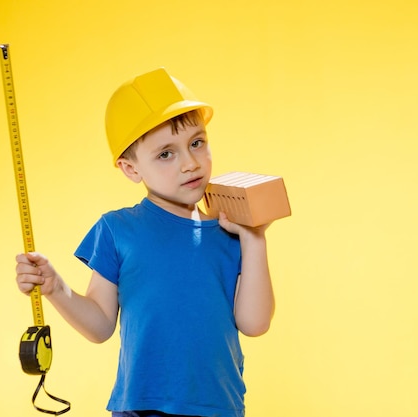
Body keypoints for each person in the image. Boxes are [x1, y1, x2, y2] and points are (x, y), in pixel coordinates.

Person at [15, 67, 275, 417]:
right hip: (140, 408)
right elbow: (100, 325)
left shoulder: (230, 231)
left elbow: (254, 323)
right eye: (166, 153)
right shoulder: (118, 229)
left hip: (218, 407)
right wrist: (56, 289)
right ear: (131, 169)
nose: (190, 163)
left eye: (197, 142)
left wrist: (255, 238)